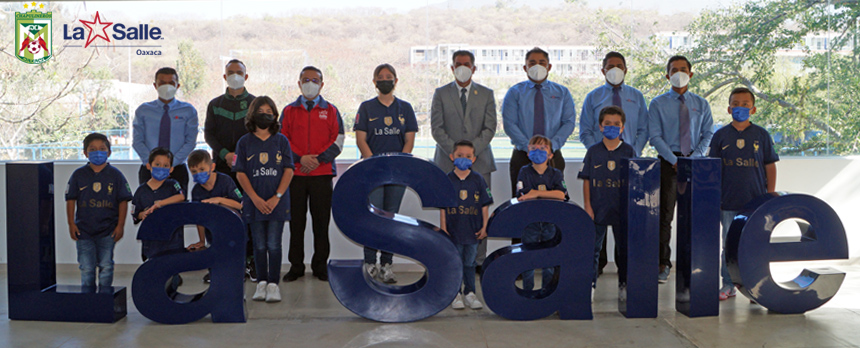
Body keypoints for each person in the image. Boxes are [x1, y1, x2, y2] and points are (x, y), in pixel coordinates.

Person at [579, 52, 650, 275]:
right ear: (603, 70)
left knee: (624, 241)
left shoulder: (637, 96)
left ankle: (625, 278)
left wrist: (631, 154)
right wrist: (601, 150)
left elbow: (643, 129)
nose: (615, 69)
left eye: (620, 65)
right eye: (611, 66)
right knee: (595, 240)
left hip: (626, 164)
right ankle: (593, 275)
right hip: (600, 173)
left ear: (626, 69)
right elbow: (585, 130)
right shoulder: (592, 96)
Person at [708, 87, 778, 300]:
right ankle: (728, 285)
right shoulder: (720, 136)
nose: (740, 107)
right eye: (736, 104)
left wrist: (770, 195)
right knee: (728, 246)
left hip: (755, 203)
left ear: (753, 109)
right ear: (729, 109)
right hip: (727, 203)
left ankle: (756, 287)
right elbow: (712, 169)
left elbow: (770, 166)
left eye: (745, 104)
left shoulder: (761, 135)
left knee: (755, 245)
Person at [648, 55, 714, 283]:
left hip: (696, 164)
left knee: (696, 217)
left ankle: (694, 265)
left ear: (691, 74)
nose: (679, 73)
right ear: (667, 75)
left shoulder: (701, 104)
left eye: (683, 69)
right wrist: (674, 161)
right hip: (668, 164)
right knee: (664, 217)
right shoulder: (657, 104)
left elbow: (708, 135)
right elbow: (654, 136)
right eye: (674, 70)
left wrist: (693, 159)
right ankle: (662, 264)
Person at [431, 50, 497, 274]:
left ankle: (478, 262)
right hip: (447, 163)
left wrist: (470, 154)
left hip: (480, 162)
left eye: (466, 64)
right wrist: (457, 155)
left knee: (479, 213)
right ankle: (452, 260)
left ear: (474, 68)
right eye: (458, 64)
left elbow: (490, 128)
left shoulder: (486, 94)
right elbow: (436, 128)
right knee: (451, 214)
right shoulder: (440, 93)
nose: (462, 67)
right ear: (451, 68)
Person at [354, 63, 418, 284]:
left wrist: (398, 165)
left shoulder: (405, 108)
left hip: (396, 174)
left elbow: (409, 140)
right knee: (372, 219)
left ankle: (387, 265)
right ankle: (370, 264)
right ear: (374, 82)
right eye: (380, 77)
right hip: (372, 172)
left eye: (388, 76)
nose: (384, 80)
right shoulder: (366, 108)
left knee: (391, 219)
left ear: (395, 81)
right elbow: (361, 139)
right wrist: (373, 164)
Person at [280, 66, 345, 282]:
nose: (310, 83)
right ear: (299, 83)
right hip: (295, 176)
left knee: (321, 222)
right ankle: (296, 267)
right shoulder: (289, 111)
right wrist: (300, 159)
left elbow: (338, 140)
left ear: (322, 84)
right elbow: (282, 140)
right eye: (306, 79)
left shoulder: (332, 111)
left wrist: (317, 159)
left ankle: (320, 266)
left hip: (322, 174)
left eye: (315, 80)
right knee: (296, 223)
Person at [233, 96, 295, 303]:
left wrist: (277, 197)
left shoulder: (281, 141)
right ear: (252, 114)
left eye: (269, 111)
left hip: (277, 203)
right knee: (259, 245)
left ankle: (273, 284)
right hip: (254, 203)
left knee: (274, 244)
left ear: (275, 115)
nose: (265, 115)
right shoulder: (244, 142)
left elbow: (288, 170)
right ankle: (261, 283)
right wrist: (255, 198)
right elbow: (240, 173)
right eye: (261, 112)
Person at [204, 59, 258, 282]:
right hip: (222, 168)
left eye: (239, 72)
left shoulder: (256, 103)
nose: (235, 75)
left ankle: (250, 263)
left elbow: (261, 134)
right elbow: (209, 135)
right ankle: (219, 263)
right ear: (224, 77)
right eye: (230, 72)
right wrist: (225, 153)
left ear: (246, 76)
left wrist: (244, 156)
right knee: (219, 216)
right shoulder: (215, 104)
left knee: (248, 214)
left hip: (248, 169)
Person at [578, 106, 637, 301]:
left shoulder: (629, 151)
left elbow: (636, 181)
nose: (612, 127)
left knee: (624, 251)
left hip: (622, 210)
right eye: (607, 124)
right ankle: (590, 285)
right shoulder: (593, 151)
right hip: (597, 209)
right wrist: (587, 206)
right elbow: (586, 180)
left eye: (616, 124)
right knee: (593, 250)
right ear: (600, 127)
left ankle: (625, 285)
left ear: (622, 128)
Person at [503, 47, 576, 198]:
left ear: (549, 66)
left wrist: (550, 148)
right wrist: (530, 148)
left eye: (542, 62)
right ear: (525, 67)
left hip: (553, 156)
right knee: (521, 202)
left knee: (554, 201)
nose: (537, 66)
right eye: (532, 63)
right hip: (522, 155)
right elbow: (510, 123)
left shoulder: (562, 92)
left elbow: (568, 122)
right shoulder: (515, 92)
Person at [65, 133, 133, 289]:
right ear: (85, 153)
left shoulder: (116, 175)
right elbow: (70, 200)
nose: (98, 152)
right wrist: (71, 224)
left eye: (102, 149)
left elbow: (123, 201)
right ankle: (88, 299)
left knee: (106, 266)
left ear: (109, 152)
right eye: (92, 149)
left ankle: (104, 298)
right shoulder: (78, 175)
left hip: (108, 230)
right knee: (86, 268)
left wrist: (120, 226)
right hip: (83, 231)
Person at [440, 140, 493, 310]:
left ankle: (470, 293)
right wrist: (443, 228)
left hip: (473, 231)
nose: (464, 159)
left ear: (474, 159)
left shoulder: (478, 179)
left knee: (470, 263)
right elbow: (443, 207)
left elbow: (485, 206)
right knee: (455, 263)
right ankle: (455, 294)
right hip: (453, 231)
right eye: (459, 155)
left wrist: (485, 227)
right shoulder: (447, 179)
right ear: (452, 157)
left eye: (468, 156)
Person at [132, 67, 198, 196]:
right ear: (155, 85)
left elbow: (190, 142)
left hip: (177, 169)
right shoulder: (143, 110)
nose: (166, 86)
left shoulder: (188, 110)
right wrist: (152, 164)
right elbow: (137, 141)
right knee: (148, 209)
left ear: (177, 85)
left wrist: (170, 164)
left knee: (178, 211)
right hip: (149, 169)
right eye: (162, 83)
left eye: (171, 83)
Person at [516, 135, 569, 292]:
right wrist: (547, 192)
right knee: (528, 259)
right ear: (527, 153)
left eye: (542, 148)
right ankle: (528, 291)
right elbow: (521, 195)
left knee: (549, 260)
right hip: (530, 222)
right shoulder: (524, 172)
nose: (537, 151)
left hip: (550, 222)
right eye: (533, 148)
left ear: (551, 154)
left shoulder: (556, 173)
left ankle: (547, 292)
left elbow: (561, 195)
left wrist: (536, 193)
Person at [131, 147, 187, 288]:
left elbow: (181, 197)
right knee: (154, 272)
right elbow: (135, 213)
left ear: (171, 169)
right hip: (152, 241)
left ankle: (173, 293)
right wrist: (141, 214)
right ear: (149, 166)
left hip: (172, 239)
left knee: (171, 271)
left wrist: (160, 204)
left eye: (165, 166)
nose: (161, 168)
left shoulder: (172, 185)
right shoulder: (141, 190)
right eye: (157, 165)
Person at [187, 149, 244, 283]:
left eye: (202, 169)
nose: (198, 174)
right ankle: (214, 273)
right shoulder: (196, 191)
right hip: (211, 231)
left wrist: (219, 200)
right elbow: (198, 218)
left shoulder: (225, 181)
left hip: (232, 229)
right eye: (194, 172)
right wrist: (201, 241)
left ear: (212, 166)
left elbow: (240, 205)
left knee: (232, 256)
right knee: (214, 254)